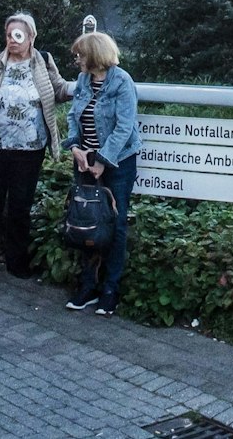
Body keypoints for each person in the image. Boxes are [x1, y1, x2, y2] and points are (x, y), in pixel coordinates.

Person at [0, 12, 70, 279]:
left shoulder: (43, 61)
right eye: (9, 35)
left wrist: (87, 82)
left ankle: (16, 260)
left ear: (31, 37)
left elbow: (59, 90)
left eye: (18, 35)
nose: (12, 40)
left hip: (29, 151)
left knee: (20, 206)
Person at [63, 31, 139, 316]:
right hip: (85, 161)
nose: (77, 60)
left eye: (80, 55)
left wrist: (103, 161)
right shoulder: (83, 81)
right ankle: (88, 286)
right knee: (86, 221)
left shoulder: (122, 81)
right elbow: (73, 116)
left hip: (118, 163)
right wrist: (75, 148)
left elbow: (124, 127)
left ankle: (110, 289)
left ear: (95, 55)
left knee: (115, 225)